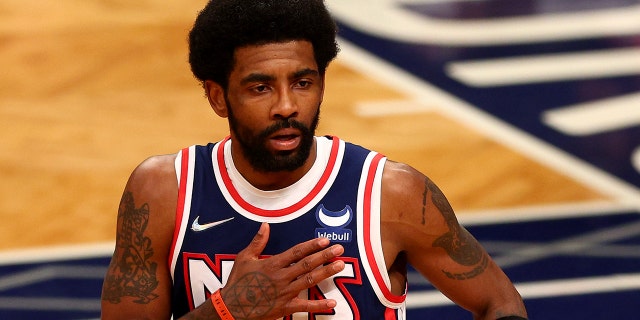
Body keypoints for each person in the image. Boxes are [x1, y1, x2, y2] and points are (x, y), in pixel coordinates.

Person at [101, 0, 528, 319]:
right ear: (218, 96)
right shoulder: (163, 191)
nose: (287, 106)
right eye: (261, 87)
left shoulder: (391, 194)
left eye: (302, 82)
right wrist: (227, 311)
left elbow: (499, 303)